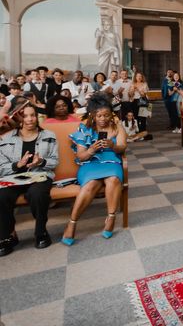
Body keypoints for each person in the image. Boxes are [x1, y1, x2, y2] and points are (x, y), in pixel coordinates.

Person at [61, 93, 126, 245]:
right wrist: (91, 149)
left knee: (113, 179)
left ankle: (111, 217)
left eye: (106, 115)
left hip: (111, 162)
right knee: (90, 185)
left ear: (111, 115)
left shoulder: (117, 127)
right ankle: (72, 222)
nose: (103, 119)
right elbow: (81, 156)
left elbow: (122, 148)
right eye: (99, 116)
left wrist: (113, 146)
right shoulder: (85, 129)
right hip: (90, 164)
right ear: (92, 115)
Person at [0, 104, 58, 256]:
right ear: (18, 117)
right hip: (13, 177)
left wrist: (41, 162)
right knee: (2, 195)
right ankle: (7, 236)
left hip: (39, 175)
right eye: (25, 116)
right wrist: (17, 164)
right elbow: (1, 167)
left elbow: (54, 161)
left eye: (33, 115)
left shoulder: (49, 135)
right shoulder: (6, 138)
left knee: (38, 194)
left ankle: (41, 232)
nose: (30, 119)